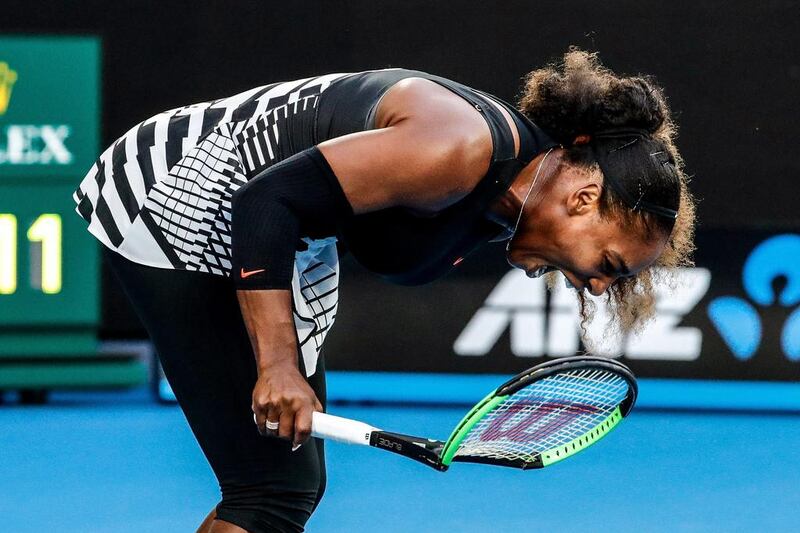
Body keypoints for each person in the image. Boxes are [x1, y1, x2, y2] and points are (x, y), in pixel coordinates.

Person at [73, 49, 695, 532]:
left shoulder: (502, 201)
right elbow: (265, 199)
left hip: (285, 239)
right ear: (584, 198)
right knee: (270, 491)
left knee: (284, 487)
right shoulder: (460, 149)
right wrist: (277, 364)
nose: (593, 285)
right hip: (181, 187)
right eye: (608, 264)